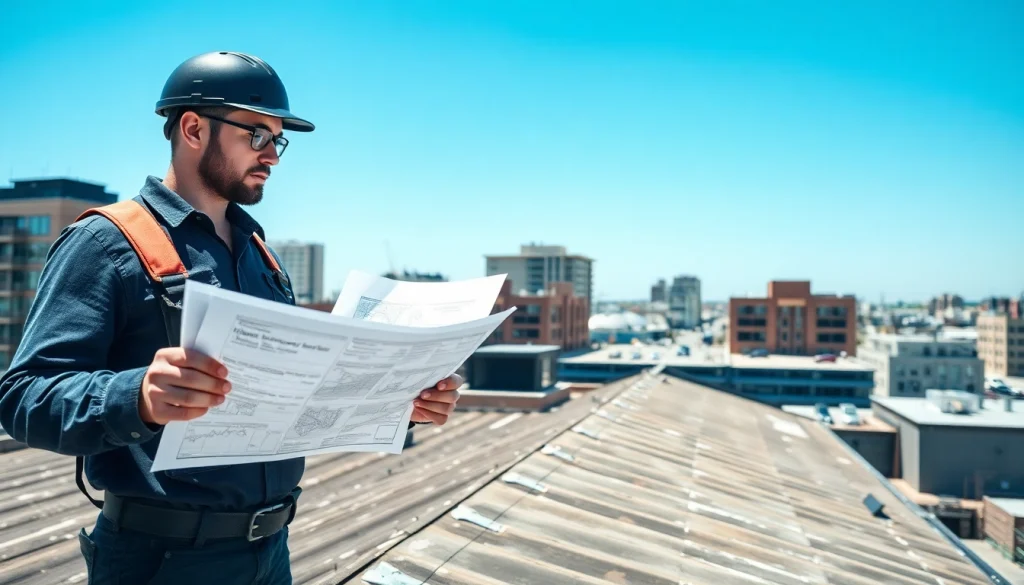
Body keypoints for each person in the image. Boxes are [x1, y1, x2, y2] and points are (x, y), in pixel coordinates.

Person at [0, 51, 462, 585]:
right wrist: (140, 397)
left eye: (277, 139)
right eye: (257, 135)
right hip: (163, 562)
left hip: (272, 552)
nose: (274, 155)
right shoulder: (105, 243)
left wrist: (397, 401)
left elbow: (296, 397)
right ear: (193, 129)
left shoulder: (259, 253)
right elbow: (23, 397)